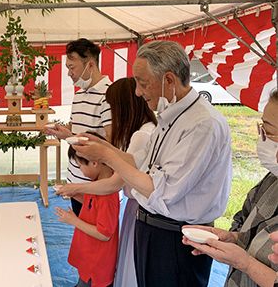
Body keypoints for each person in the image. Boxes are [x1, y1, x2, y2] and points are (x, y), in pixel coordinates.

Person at [72, 40, 233, 287]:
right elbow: (139, 164)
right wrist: (102, 147)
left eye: (143, 83)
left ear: (169, 80)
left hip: (177, 236)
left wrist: (106, 156)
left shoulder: (202, 124)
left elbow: (162, 189)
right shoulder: (170, 116)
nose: (137, 92)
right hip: (153, 228)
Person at [57, 77, 157, 287]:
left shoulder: (141, 135)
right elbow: (120, 158)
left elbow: (115, 182)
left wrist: (75, 188)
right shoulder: (140, 132)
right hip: (137, 209)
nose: (112, 115)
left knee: (130, 270)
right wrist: (97, 143)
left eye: (113, 107)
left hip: (141, 210)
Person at [183, 89, 278, 287]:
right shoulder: (272, 179)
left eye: (268, 131)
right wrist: (232, 238)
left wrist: (246, 264)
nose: (262, 138)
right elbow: (244, 219)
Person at [45, 38, 112, 216]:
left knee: (95, 236)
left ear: (90, 65)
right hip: (75, 181)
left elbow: (112, 146)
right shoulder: (79, 95)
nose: (69, 73)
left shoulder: (109, 95)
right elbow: (77, 135)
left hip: (95, 187)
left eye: (72, 67)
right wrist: (65, 134)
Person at [55, 132, 119, 287]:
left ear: (94, 162)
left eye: (81, 166)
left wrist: (73, 220)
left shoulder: (107, 193)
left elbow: (103, 234)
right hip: (90, 257)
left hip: (97, 262)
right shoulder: (98, 185)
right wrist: (75, 194)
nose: (81, 171)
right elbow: (92, 205)